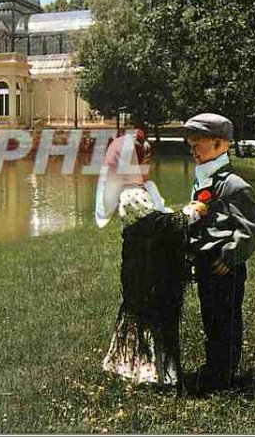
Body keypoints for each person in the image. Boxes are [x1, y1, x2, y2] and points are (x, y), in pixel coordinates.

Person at [95, 129, 208, 389]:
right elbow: (159, 225)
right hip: (143, 269)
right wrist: (191, 213)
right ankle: (145, 372)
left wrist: (175, 214)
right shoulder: (129, 195)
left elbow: (161, 213)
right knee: (145, 314)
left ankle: (159, 369)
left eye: (149, 158)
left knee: (159, 316)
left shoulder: (146, 188)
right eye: (143, 159)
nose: (148, 163)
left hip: (153, 265)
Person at [181, 113, 255, 393]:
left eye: (198, 142)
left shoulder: (233, 184)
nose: (193, 148)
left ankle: (225, 373)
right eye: (191, 143)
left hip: (224, 264)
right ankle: (214, 366)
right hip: (205, 262)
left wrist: (229, 256)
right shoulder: (204, 180)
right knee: (210, 315)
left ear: (219, 145)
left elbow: (248, 228)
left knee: (226, 318)